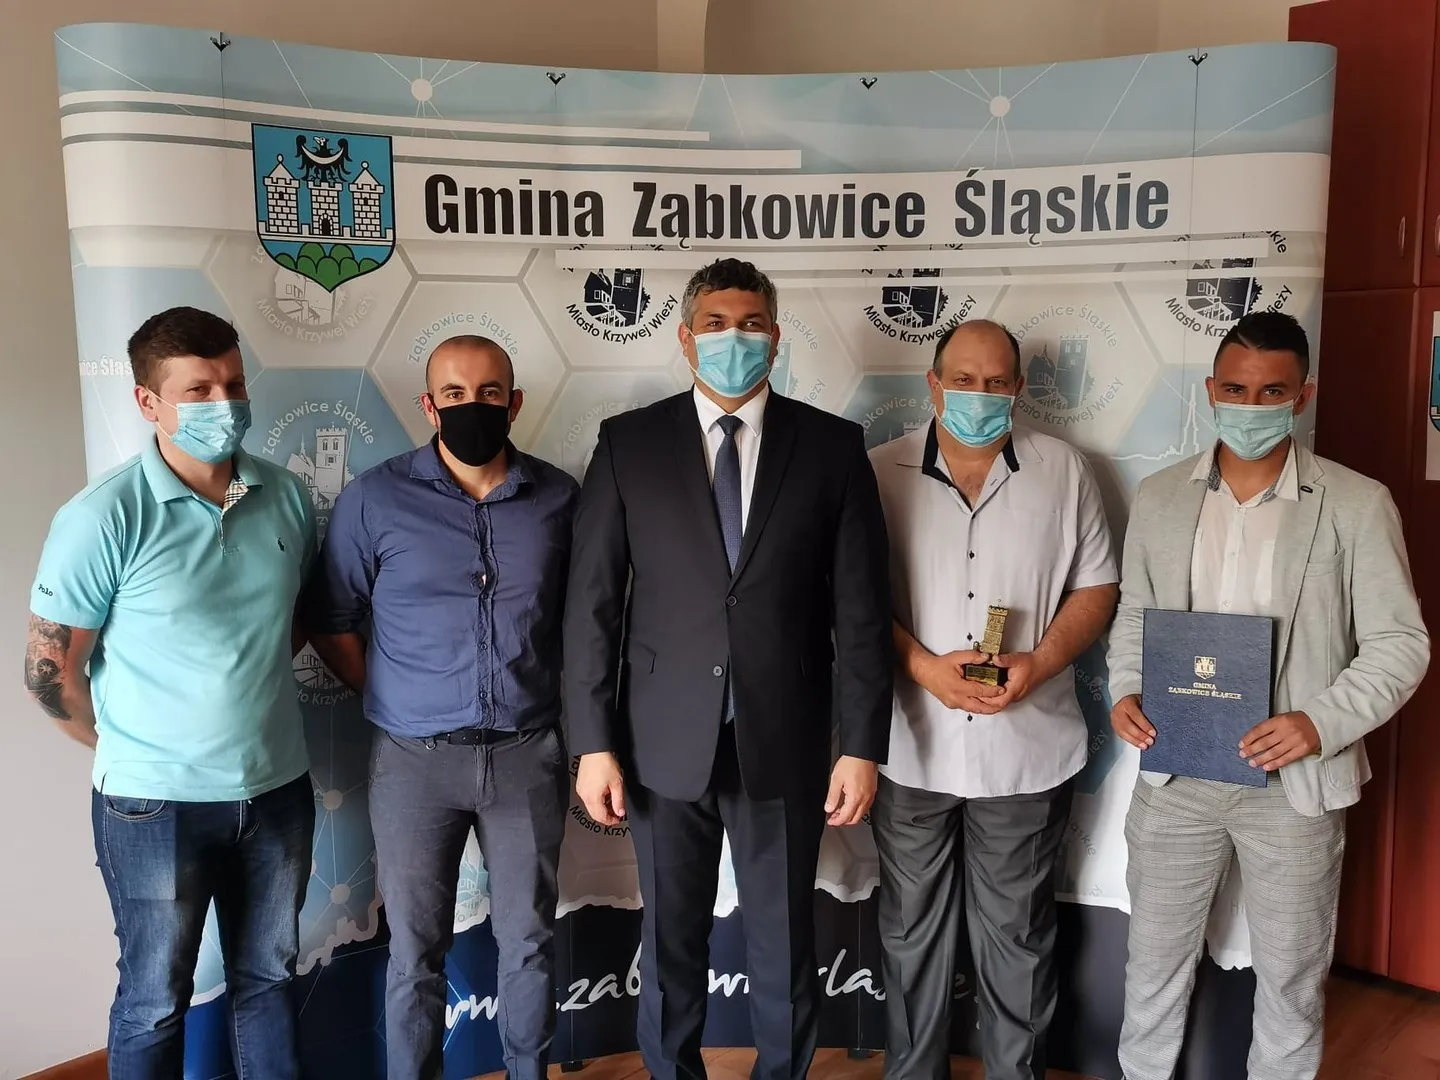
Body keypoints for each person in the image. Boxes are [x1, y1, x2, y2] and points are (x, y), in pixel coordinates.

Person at [563, 257, 893, 1080]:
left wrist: (862, 746)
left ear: (775, 338)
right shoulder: (628, 443)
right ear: (685, 338)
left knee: (784, 944)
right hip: (659, 743)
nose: (733, 339)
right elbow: (592, 606)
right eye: (715, 325)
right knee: (669, 942)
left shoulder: (833, 446)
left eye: (750, 324)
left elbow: (860, 612)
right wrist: (592, 743)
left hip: (782, 740)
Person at [1107, 310, 1430, 1080]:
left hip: (1294, 785)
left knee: (1290, 979)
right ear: (1211, 390)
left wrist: (1319, 722)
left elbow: (1401, 642)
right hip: (1176, 774)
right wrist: (1125, 688)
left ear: (1302, 396)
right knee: (1151, 968)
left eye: (1272, 391)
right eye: (1236, 389)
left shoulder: (1356, 503)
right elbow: (1135, 617)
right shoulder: (1160, 497)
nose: (1250, 407)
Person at [23, 307, 318, 1079]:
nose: (225, 404)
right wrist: (132, 749)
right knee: (154, 998)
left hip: (277, 792)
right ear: (147, 402)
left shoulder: (287, 495)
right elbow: (49, 673)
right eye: (199, 391)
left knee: (270, 979)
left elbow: (288, 622)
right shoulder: (102, 517)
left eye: (234, 384)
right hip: (154, 807)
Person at [305, 335, 577, 1080]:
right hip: (413, 764)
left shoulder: (559, 499)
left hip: (528, 754)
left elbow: (586, 623)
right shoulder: (375, 498)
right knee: (415, 951)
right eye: (454, 394)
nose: (471, 406)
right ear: (429, 405)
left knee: (529, 942)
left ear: (514, 403)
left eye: (489, 393)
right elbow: (332, 617)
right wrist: (389, 694)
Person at [868, 319, 1118, 1080]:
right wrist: (922, 666)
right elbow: (849, 600)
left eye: (997, 381)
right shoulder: (876, 472)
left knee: (1018, 938)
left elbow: (1096, 588)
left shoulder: (1064, 470)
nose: (980, 394)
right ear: (934, 384)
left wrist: (1038, 663)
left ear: (1018, 387)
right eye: (963, 380)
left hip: (1026, 751)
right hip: (911, 746)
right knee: (910, 935)